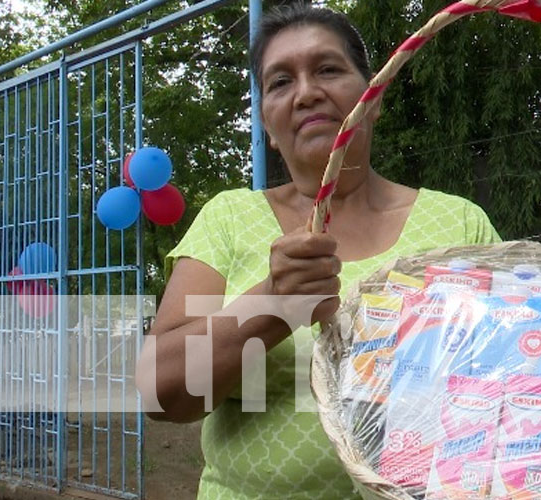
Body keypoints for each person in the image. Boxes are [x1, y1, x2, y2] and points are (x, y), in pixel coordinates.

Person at [135, 3, 501, 499]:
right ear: (266, 121)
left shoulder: (458, 224)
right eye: (280, 82)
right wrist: (272, 306)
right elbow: (161, 393)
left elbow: (511, 375)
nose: (307, 92)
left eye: (328, 69)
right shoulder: (229, 219)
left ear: (374, 96)